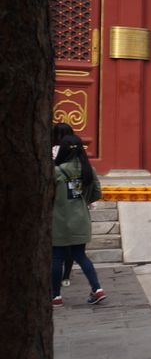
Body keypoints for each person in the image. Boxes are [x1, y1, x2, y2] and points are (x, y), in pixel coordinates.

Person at [52, 135, 106, 306]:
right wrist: (82, 201)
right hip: (81, 218)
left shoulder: (56, 171)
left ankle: (56, 296)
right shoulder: (88, 170)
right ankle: (97, 289)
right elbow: (97, 192)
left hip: (58, 219)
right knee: (80, 255)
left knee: (57, 257)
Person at [52, 122, 77, 287]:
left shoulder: (53, 150)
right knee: (72, 246)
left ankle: (56, 286)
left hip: (57, 201)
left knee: (57, 247)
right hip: (74, 200)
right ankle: (66, 275)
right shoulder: (76, 151)